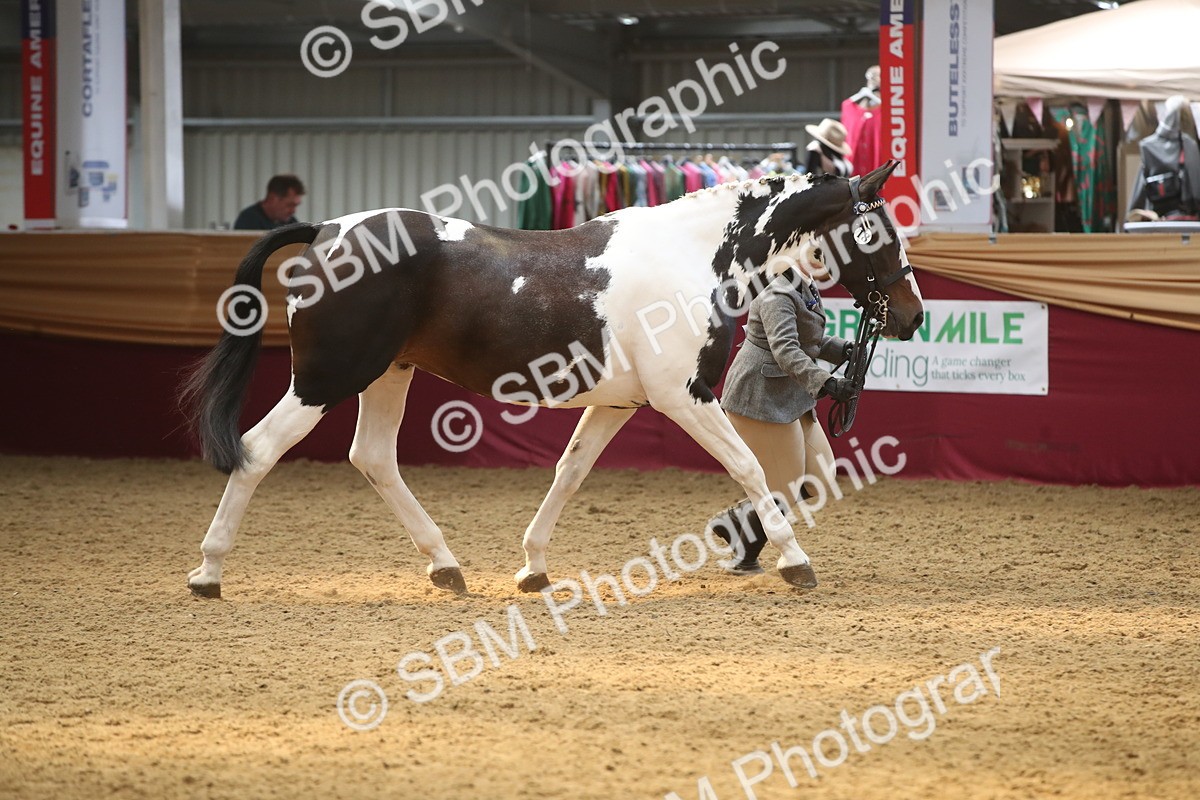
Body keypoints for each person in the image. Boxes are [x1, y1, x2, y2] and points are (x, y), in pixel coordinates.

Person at [707, 263, 856, 574]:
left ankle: (739, 521)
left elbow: (806, 341)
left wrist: (844, 350)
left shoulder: (803, 283)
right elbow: (785, 350)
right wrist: (827, 382)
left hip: (791, 398)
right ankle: (747, 556)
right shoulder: (777, 292)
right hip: (761, 398)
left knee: (821, 480)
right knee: (783, 490)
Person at [1126, 95, 1200, 222]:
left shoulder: (1148, 146)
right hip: (1189, 220)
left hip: (1157, 220)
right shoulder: (1190, 145)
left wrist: (1128, 221)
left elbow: (1139, 192)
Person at [234, 175, 306, 230]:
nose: (293, 211)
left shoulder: (291, 223)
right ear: (273, 198)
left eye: (296, 206)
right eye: (289, 205)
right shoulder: (248, 220)